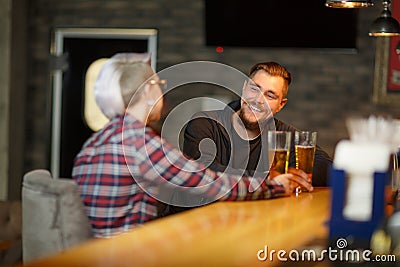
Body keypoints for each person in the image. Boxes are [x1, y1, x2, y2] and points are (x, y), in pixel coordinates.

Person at [71, 53, 313, 238]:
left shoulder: (95, 142)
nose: (162, 91)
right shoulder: (139, 143)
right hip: (126, 253)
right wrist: (275, 186)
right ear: (146, 93)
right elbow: (210, 184)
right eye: (158, 84)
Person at [182, 62, 333, 187]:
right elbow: (202, 171)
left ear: (281, 105)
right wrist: (268, 178)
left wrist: (289, 175)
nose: (259, 100)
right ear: (244, 87)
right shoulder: (204, 123)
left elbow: (326, 168)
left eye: (270, 95)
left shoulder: (282, 134)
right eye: (254, 89)